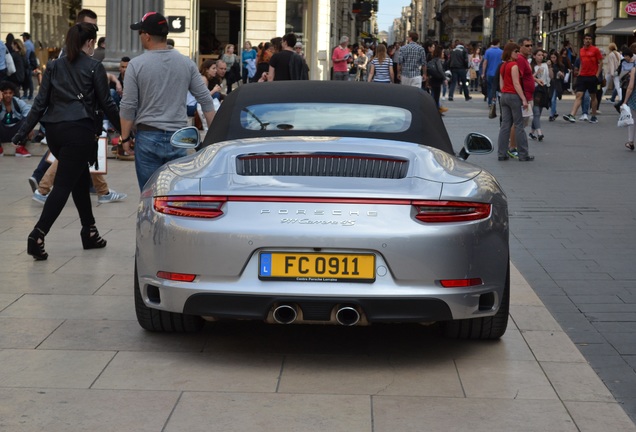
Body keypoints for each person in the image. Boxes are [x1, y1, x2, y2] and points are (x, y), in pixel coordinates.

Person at [11, 23, 121, 260]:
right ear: (90, 42)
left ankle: (89, 231)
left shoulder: (53, 65)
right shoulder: (94, 67)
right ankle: (37, 235)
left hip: (55, 132)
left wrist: (23, 132)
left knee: (80, 179)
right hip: (79, 131)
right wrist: (126, 131)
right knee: (62, 186)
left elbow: (40, 103)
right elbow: (107, 103)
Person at [119, 11, 215, 191]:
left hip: (148, 136)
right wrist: (215, 138)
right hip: (179, 137)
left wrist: (124, 138)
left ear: (147, 36)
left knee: (149, 195)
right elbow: (206, 100)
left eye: (140, 33)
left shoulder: (136, 65)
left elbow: (128, 105)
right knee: (175, 195)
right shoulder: (186, 63)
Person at [496, 42, 533, 162]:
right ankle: (523, 154)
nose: (518, 53)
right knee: (519, 125)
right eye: (515, 51)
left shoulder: (503, 66)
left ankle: (501, 153)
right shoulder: (514, 65)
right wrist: (523, 99)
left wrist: (505, 92)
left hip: (504, 96)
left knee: (505, 125)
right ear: (510, 53)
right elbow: (517, 84)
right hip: (513, 96)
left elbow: (501, 85)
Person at [563, 34, 602, 124]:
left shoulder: (595, 50)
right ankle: (572, 115)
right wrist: (579, 73)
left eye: (589, 39)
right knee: (579, 95)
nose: (588, 40)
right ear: (584, 40)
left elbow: (600, 63)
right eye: (586, 39)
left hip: (592, 76)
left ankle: (593, 116)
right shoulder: (581, 50)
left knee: (593, 97)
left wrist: (597, 75)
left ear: (591, 41)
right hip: (583, 76)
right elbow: (582, 63)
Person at [0, 81, 33, 157]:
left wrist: (30, 126)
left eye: (10, 93)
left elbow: (29, 111)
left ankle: (20, 148)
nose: (8, 95)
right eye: (5, 93)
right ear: (1, 93)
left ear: (13, 93)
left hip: (16, 134)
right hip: (2, 133)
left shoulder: (17, 102)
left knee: (27, 121)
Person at [529, 49, 551, 142]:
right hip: (534, 90)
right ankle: (539, 133)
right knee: (536, 112)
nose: (541, 57)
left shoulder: (545, 65)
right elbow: (528, 77)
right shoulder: (530, 65)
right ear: (534, 56)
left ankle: (532, 132)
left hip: (543, 89)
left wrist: (550, 67)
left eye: (542, 55)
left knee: (538, 113)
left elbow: (549, 77)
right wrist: (536, 73)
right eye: (538, 55)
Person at [482, 39, 503, 118]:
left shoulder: (488, 51)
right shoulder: (501, 51)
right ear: (498, 43)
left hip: (489, 73)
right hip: (498, 73)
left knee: (490, 88)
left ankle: (490, 102)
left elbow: (485, 62)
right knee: (498, 88)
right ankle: (496, 100)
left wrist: (483, 72)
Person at [621, 44, 636, 151]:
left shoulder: (634, 69)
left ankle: (630, 141)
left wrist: (625, 101)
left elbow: (630, 87)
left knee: (633, 120)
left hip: (635, 96)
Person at [547, 50, 565, 121]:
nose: (553, 59)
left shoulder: (560, 65)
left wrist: (561, 74)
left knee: (553, 99)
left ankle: (552, 115)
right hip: (548, 83)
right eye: (551, 57)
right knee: (548, 99)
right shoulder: (548, 64)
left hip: (556, 83)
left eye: (554, 57)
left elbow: (563, 76)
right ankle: (554, 112)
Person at [19, 32, 36, 100]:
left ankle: (26, 94)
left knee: (26, 80)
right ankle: (31, 94)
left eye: (23, 37)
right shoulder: (31, 44)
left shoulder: (25, 44)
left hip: (26, 64)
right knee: (30, 80)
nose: (22, 38)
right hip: (31, 65)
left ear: (25, 37)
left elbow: (25, 55)